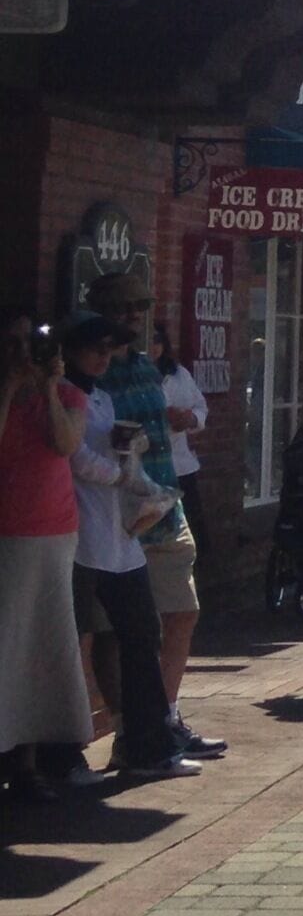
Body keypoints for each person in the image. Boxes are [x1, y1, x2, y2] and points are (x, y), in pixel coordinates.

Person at [87, 276, 220, 761]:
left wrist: (179, 420)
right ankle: (130, 731)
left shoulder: (147, 366)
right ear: (97, 311)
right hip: (119, 517)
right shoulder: (92, 374)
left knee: (182, 612)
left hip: (164, 502)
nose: (131, 316)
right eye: (120, 308)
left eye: (139, 307)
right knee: (116, 630)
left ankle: (165, 716)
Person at [60, 317, 195, 781]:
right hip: (79, 535)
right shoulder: (62, 391)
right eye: (93, 349)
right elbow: (75, 454)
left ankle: (146, 745)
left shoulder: (101, 394)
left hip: (121, 534)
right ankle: (64, 753)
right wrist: (119, 472)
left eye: (108, 349)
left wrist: (132, 459)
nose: (102, 357)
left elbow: (115, 454)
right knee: (72, 642)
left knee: (142, 633)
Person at [1, 317, 96, 799]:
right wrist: (10, 389)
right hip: (6, 536)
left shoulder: (70, 396)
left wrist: (51, 387)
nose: (22, 354)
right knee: (7, 647)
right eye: (12, 345)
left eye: (30, 345)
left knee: (42, 646)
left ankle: (31, 759)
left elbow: (64, 444)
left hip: (54, 534)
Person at [151, 324, 208, 551]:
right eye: (150, 340)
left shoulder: (179, 373)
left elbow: (201, 407)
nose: (154, 346)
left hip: (182, 464)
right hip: (152, 464)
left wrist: (191, 419)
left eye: (158, 340)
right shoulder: (137, 377)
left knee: (192, 532)